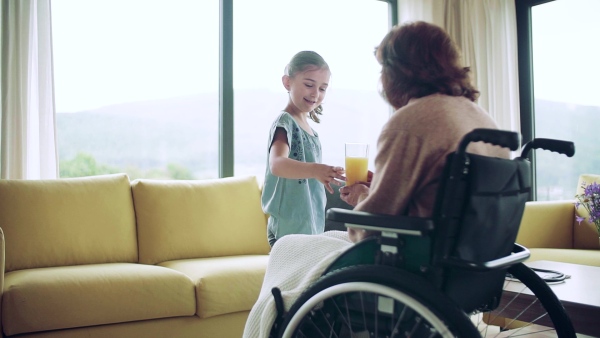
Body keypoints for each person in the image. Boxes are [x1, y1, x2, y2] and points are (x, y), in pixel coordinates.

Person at [243, 21, 509, 337]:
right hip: (468, 259)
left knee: (288, 246)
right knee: (302, 243)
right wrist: (376, 188)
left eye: (384, 68)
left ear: (400, 72)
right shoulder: (480, 118)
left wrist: (361, 199)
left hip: (411, 256)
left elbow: (369, 224)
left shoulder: (412, 120)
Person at [261, 51, 345, 248]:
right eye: (309, 85)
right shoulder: (285, 122)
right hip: (287, 230)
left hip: (311, 227)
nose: (316, 94)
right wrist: (315, 169)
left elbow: (310, 181)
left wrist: (328, 175)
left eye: (323, 88)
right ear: (287, 82)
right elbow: (277, 164)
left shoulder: (312, 132)